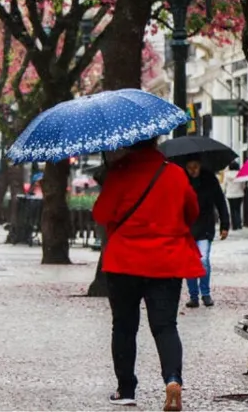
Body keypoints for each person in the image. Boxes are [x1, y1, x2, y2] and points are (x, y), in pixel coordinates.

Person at [92, 137, 203, 411]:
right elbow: (192, 211)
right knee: (165, 326)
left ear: (129, 144)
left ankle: (126, 389)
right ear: (155, 142)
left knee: (124, 326)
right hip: (166, 260)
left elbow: (101, 213)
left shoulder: (120, 173)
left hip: (124, 262)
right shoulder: (175, 173)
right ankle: (172, 379)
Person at [182, 157, 230, 308]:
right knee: (189, 261)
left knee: (203, 260)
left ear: (200, 165)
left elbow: (220, 201)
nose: (193, 171)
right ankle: (193, 296)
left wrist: (225, 225)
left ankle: (205, 293)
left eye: (195, 167)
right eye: (189, 168)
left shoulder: (210, 179)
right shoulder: (181, 179)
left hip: (205, 226)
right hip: (187, 228)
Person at [222, 161, 245, 230]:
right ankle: (239, 224)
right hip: (239, 194)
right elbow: (243, 184)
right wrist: (242, 189)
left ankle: (234, 226)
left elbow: (224, 184)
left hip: (230, 194)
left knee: (232, 210)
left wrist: (224, 191)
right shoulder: (240, 173)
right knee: (238, 209)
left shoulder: (226, 174)